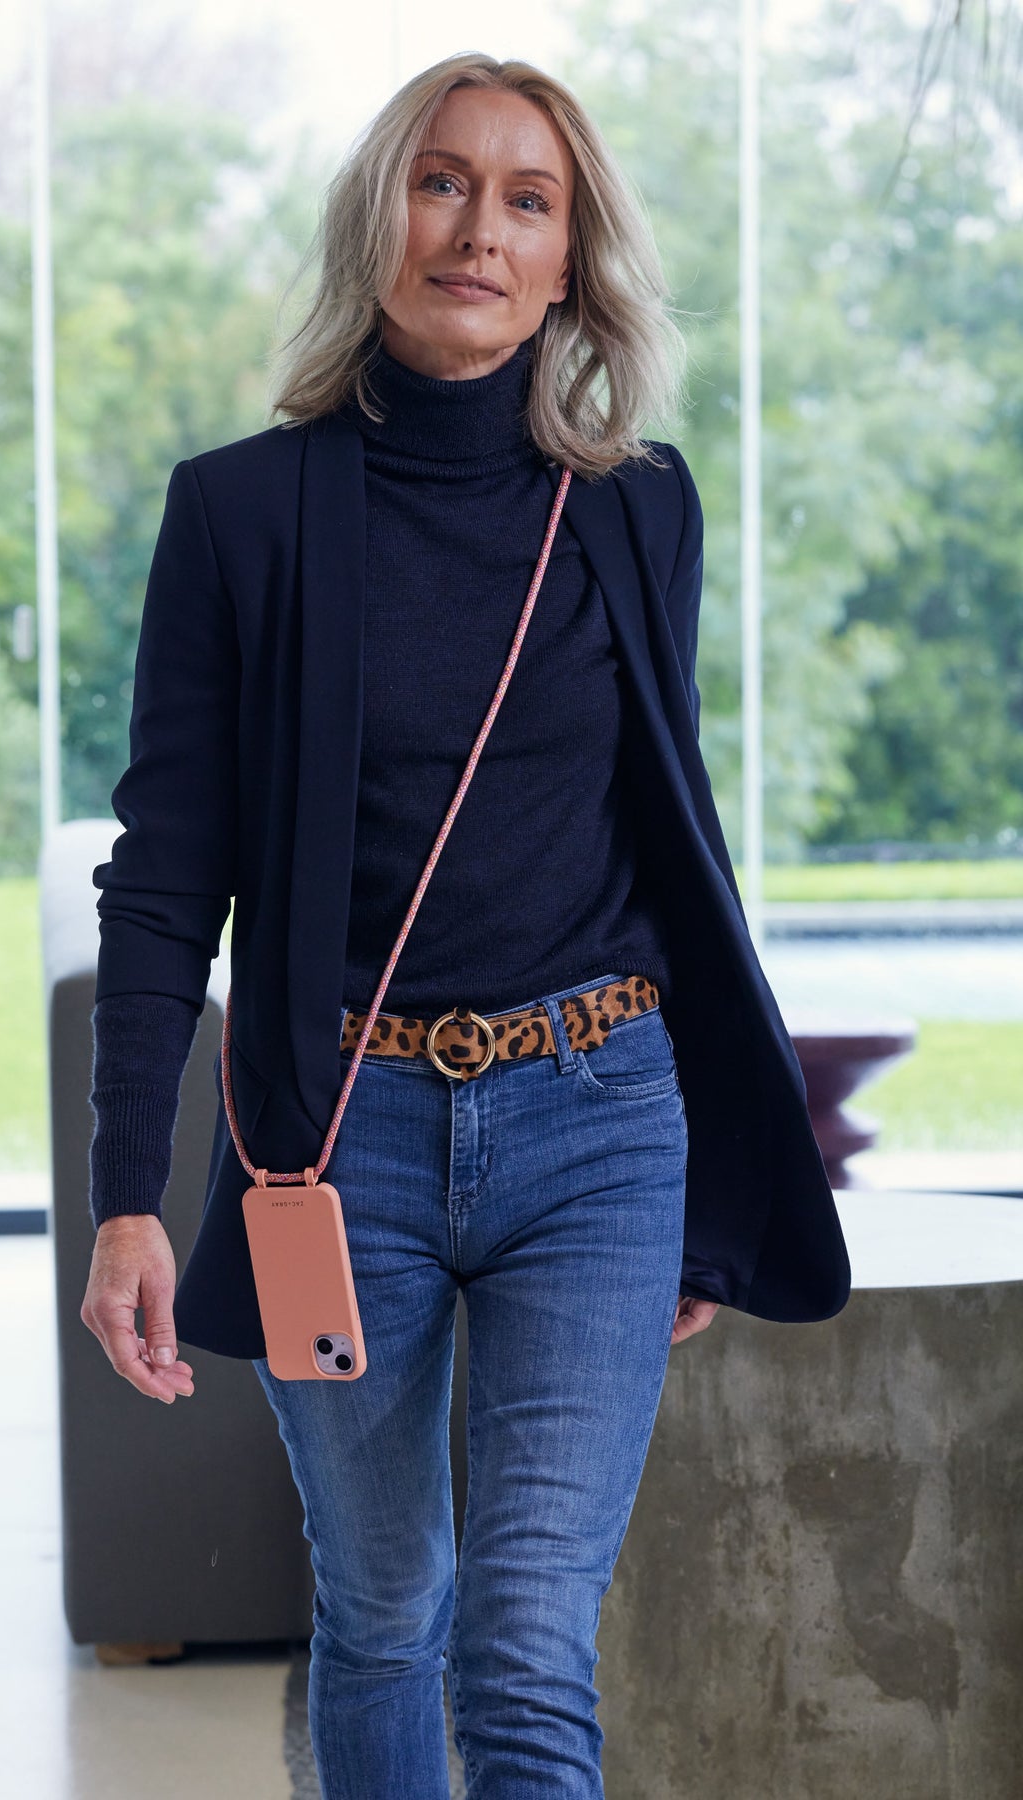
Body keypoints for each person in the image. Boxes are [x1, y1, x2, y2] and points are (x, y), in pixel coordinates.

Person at [80, 50, 850, 1800]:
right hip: (339, 1153)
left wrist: (716, 1182)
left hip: (598, 1120)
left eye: (528, 201)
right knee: (381, 1605)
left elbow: (673, 837)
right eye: (443, 184)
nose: (478, 232)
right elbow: (162, 874)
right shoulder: (240, 516)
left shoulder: (638, 504)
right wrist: (133, 1188)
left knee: (521, 1635)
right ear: (381, 216)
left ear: (571, 259)